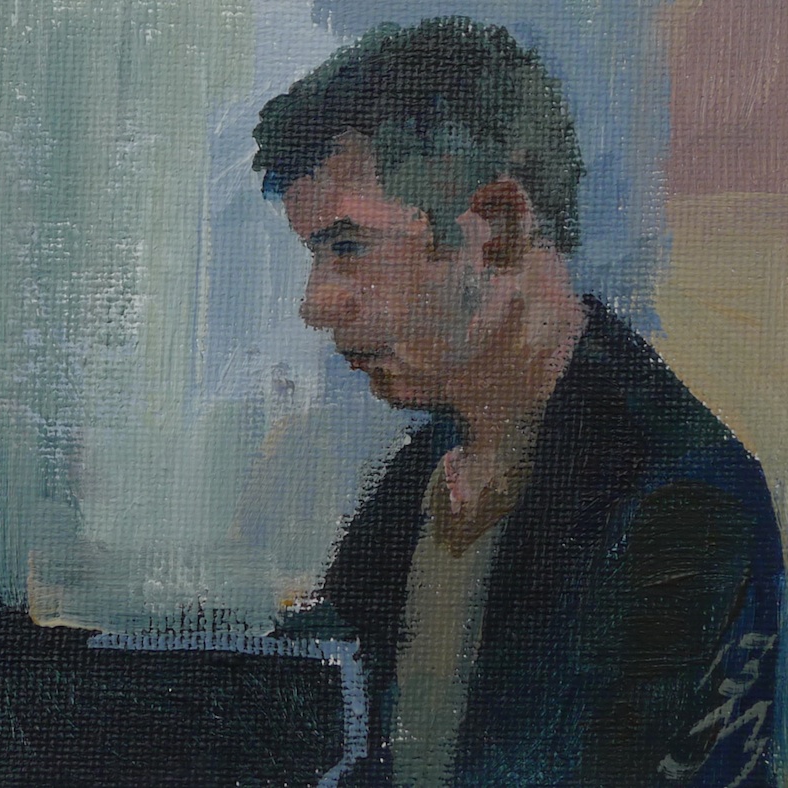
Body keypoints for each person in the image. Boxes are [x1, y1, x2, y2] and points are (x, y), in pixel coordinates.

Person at [254, 17, 784, 786]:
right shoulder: (418, 485)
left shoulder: (687, 502)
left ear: (496, 229)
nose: (316, 304)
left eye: (347, 247)